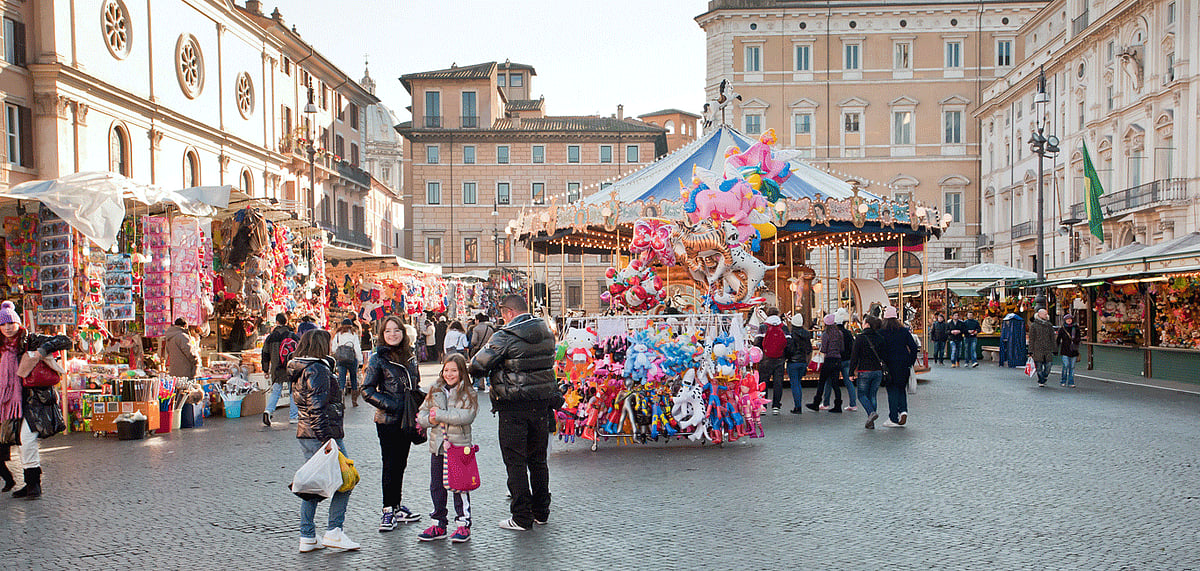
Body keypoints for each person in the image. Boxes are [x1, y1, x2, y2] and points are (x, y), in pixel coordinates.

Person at [470, 294, 560, 532]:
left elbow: (478, 365)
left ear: (508, 313)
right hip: (541, 405)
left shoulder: (505, 336)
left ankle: (521, 517)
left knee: (516, 463)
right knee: (538, 461)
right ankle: (541, 511)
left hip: (512, 407)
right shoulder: (546, 332)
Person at [287, 329, 359, 552]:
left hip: (307, 433)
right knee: (347, 479)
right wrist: (328, 440)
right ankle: (334, 531)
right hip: (324, 435)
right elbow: (317, 408)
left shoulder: (304, 368)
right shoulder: (317, 369)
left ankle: (307, 536)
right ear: (320, 346)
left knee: (315, 483)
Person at [0, 301, 70, 499]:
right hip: (8, 404)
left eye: (11, 323)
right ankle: (27, 482)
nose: (7, 328)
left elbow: (65, 340)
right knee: (19, 441)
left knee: (27, 440)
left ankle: (33, 484)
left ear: (18, 323)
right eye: (3, 324)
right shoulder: (2, 347)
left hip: (33, 401)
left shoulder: (31, 339)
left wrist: (42, 350)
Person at [361, 315, 425, 531]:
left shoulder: (410, 355)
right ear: (382, 334)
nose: (392, 334)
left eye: (396, 330)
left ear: (403, 333)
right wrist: (392, 404)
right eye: (388, 331)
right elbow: (366, 390)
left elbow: (414, 384)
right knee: (389, 464)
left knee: (401, 463)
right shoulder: (377, 359)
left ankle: (397, 505)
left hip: (407, 417)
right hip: (388, 419)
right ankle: (387, 510)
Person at [415, 354, 478, 543]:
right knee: (437, 486)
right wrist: (430, 420)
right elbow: (422, 414)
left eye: (454, 370)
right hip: (439, 447)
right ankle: (438, 523)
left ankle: (463, 524)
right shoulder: (435, 389)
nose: (449, 374)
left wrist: (440, 415)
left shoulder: (468, 393)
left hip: (459, 448)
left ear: (461, 372)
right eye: (446, 370)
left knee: (460, 486)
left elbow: (466, 416)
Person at [877, 307, 919, 428]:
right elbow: (913, 347)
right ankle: (903, 411)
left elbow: (880, 349)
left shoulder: (881, 332)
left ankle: (893, 417)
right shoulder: (903, 331)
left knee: (892, 391)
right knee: (901, 388)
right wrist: (910, 361)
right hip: (903, 364)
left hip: (889, 364)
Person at [847, 315, 886, 429]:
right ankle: (871, 422)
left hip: (864, 370)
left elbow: (854, 356)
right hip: (877, 370)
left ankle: (871, 413)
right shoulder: (879, 337)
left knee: (862, 395)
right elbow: (884, 354)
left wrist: (851, 372)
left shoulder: (860, 338)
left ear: (867, 324)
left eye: (863, 322)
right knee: (872, 395)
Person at [262, 313, 300, 426]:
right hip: (290, 367)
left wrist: (265, 369)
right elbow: (299, 351)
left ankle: (268, 410)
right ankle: (293, 416)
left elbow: (265, 353)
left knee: (276, 391)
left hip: (276, 368)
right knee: (293, 391)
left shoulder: (271, 337)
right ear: (286, 322)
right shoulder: (292, 335)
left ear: (277, 322)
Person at [753, 307, 790, 415]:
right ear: (778, 314)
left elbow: (757, 342)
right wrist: (785, 356)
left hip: (766, 359)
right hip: (780, 359)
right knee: (778, 383)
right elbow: (788, 343)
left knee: (764, 382)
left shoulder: (763, 326)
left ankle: (763, 406)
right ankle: (776, 406)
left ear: (767, 314)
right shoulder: (784, 327)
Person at [806, 314, 843, 413]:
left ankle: (816, 402)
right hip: (838, 359)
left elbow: (824, 349)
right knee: (836, 384)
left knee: (822, 382)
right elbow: (842, 348)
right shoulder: (839, 333)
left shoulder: (826, 334)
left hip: (829, 359)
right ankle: (838, 404)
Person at [829, 308, 858, 412]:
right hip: (847, 359)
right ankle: (853, 403)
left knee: (832, 382)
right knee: (848, 382)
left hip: (837, 359)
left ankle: (829, 402)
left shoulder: (834, 333)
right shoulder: (848, 333)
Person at [332, 319, 363, 407]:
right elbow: (357, 348)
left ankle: (342, 401)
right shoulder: (353, 334)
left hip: (341, 360)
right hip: (352, 359)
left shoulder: (338, 335)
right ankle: (354, 401)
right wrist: (360, 360)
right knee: (353, 378)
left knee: (341, 379)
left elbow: (334, 349)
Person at [785, 314, 812, 414]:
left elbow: (789, 349)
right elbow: (809, 349)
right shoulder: (806, 334)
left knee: (795, 384)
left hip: (793, 362)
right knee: (798, 384)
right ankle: (798, 404)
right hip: (803, 362)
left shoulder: (791, 335)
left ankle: (798, 406)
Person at [1027, 308, 1057, 388]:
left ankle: (1044, 377)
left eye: (1046, 314)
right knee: (1039, 367)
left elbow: (1052, 338)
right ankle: (1041, 380)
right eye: (1044, 314)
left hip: (1047, 349)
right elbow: (1031, 339)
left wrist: (1054, 349)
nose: (1046, 315)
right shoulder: (1034, 325)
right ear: (1039, 314)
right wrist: (1030, 350)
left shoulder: (1049, 325)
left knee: (1048, 366)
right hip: (1037, 349)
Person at [468, 314, 496, 390]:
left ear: (477, 320)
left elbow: (474, 341)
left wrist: (474, 345)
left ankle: (478, 384)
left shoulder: (476, 329)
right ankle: (489, 384)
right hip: (487, 350)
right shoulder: (489, 328)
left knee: (477, 367)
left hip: (478, 350)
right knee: (487, 367)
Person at [1057, 314, 1082, 388]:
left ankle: (1071, 382)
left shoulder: (1076, 328)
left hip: (1073, 350)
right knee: (1066, 365)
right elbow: (1058, 339)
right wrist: (1056, 348)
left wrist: (1076, 340)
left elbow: (1079, 338)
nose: (1069, 320)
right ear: (1065, 320)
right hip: (1065, 350)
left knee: (1072, 367)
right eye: (1067, 319)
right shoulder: (1062, 329)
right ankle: (1063, 380)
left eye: (1070, 319)